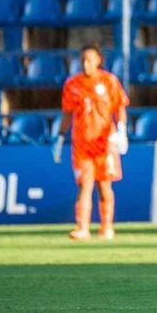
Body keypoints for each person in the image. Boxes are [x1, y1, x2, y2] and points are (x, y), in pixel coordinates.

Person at [53, 45, 129, 241]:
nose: (86, 64)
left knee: (104, 186)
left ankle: (106, 227)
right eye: (83, 60)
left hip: (105, 144)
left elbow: (119, 107)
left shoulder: (109, 81)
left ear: (98, 60)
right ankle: (82, 227)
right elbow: (67, 113)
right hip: (82, 144)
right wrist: (60, 137)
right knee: (84, 186)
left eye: (89, 60)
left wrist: (121, 130)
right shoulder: (72, 84)